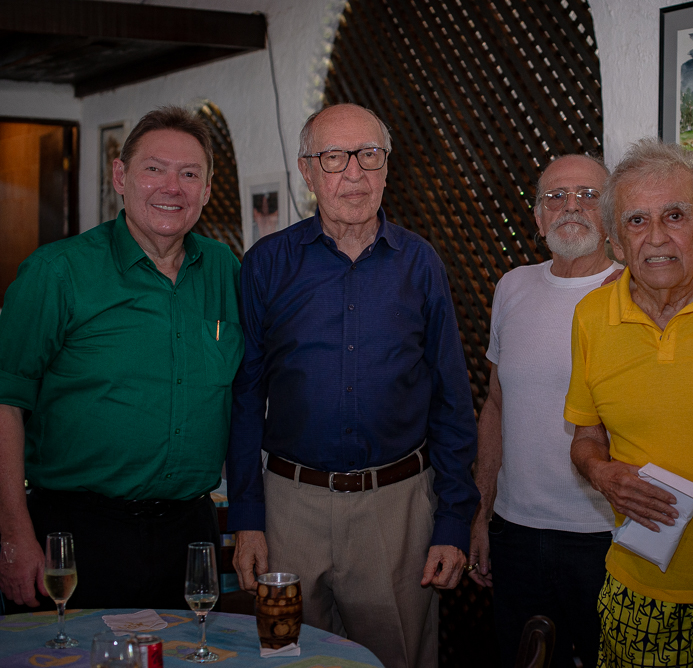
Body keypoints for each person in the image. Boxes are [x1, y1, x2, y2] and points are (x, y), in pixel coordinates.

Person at [225, 103, 478, 668]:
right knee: (285, 659)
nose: (354, 174)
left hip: (398, 512)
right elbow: (244, 397)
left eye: (369, 156)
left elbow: (452, 400)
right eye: (334, 158)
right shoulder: (266, 264)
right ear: (307, 171)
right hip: (288, 511)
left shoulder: (421, 264)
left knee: (397, 660)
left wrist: (454, 519)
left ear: (388, 168)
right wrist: (246, 516)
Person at [0, 107, 242, 611]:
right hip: (76, 535)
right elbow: (4, 402)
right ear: (120, 177)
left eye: (189, 173)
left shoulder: (226, 271)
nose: (172, 187)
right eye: (154, 168)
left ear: (207, 188)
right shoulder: (57, 272)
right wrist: (13, 534)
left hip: (189, 536)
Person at [565, 138, 693, 668]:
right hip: (639, 584)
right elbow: (585, 439)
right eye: (636, 222)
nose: (657, 239)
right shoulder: (590, 316)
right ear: (616, 244)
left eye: (674, 215)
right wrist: (603, 475)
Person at [469, 154, 620, 668]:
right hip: (517, 535)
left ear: (613, 214)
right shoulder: (512, 287)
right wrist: (482, 512)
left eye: (588, 195)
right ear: (537, 219)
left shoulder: (632, 291)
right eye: (554, 197)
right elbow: (495, 405)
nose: (570, 207)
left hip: (607, 539)